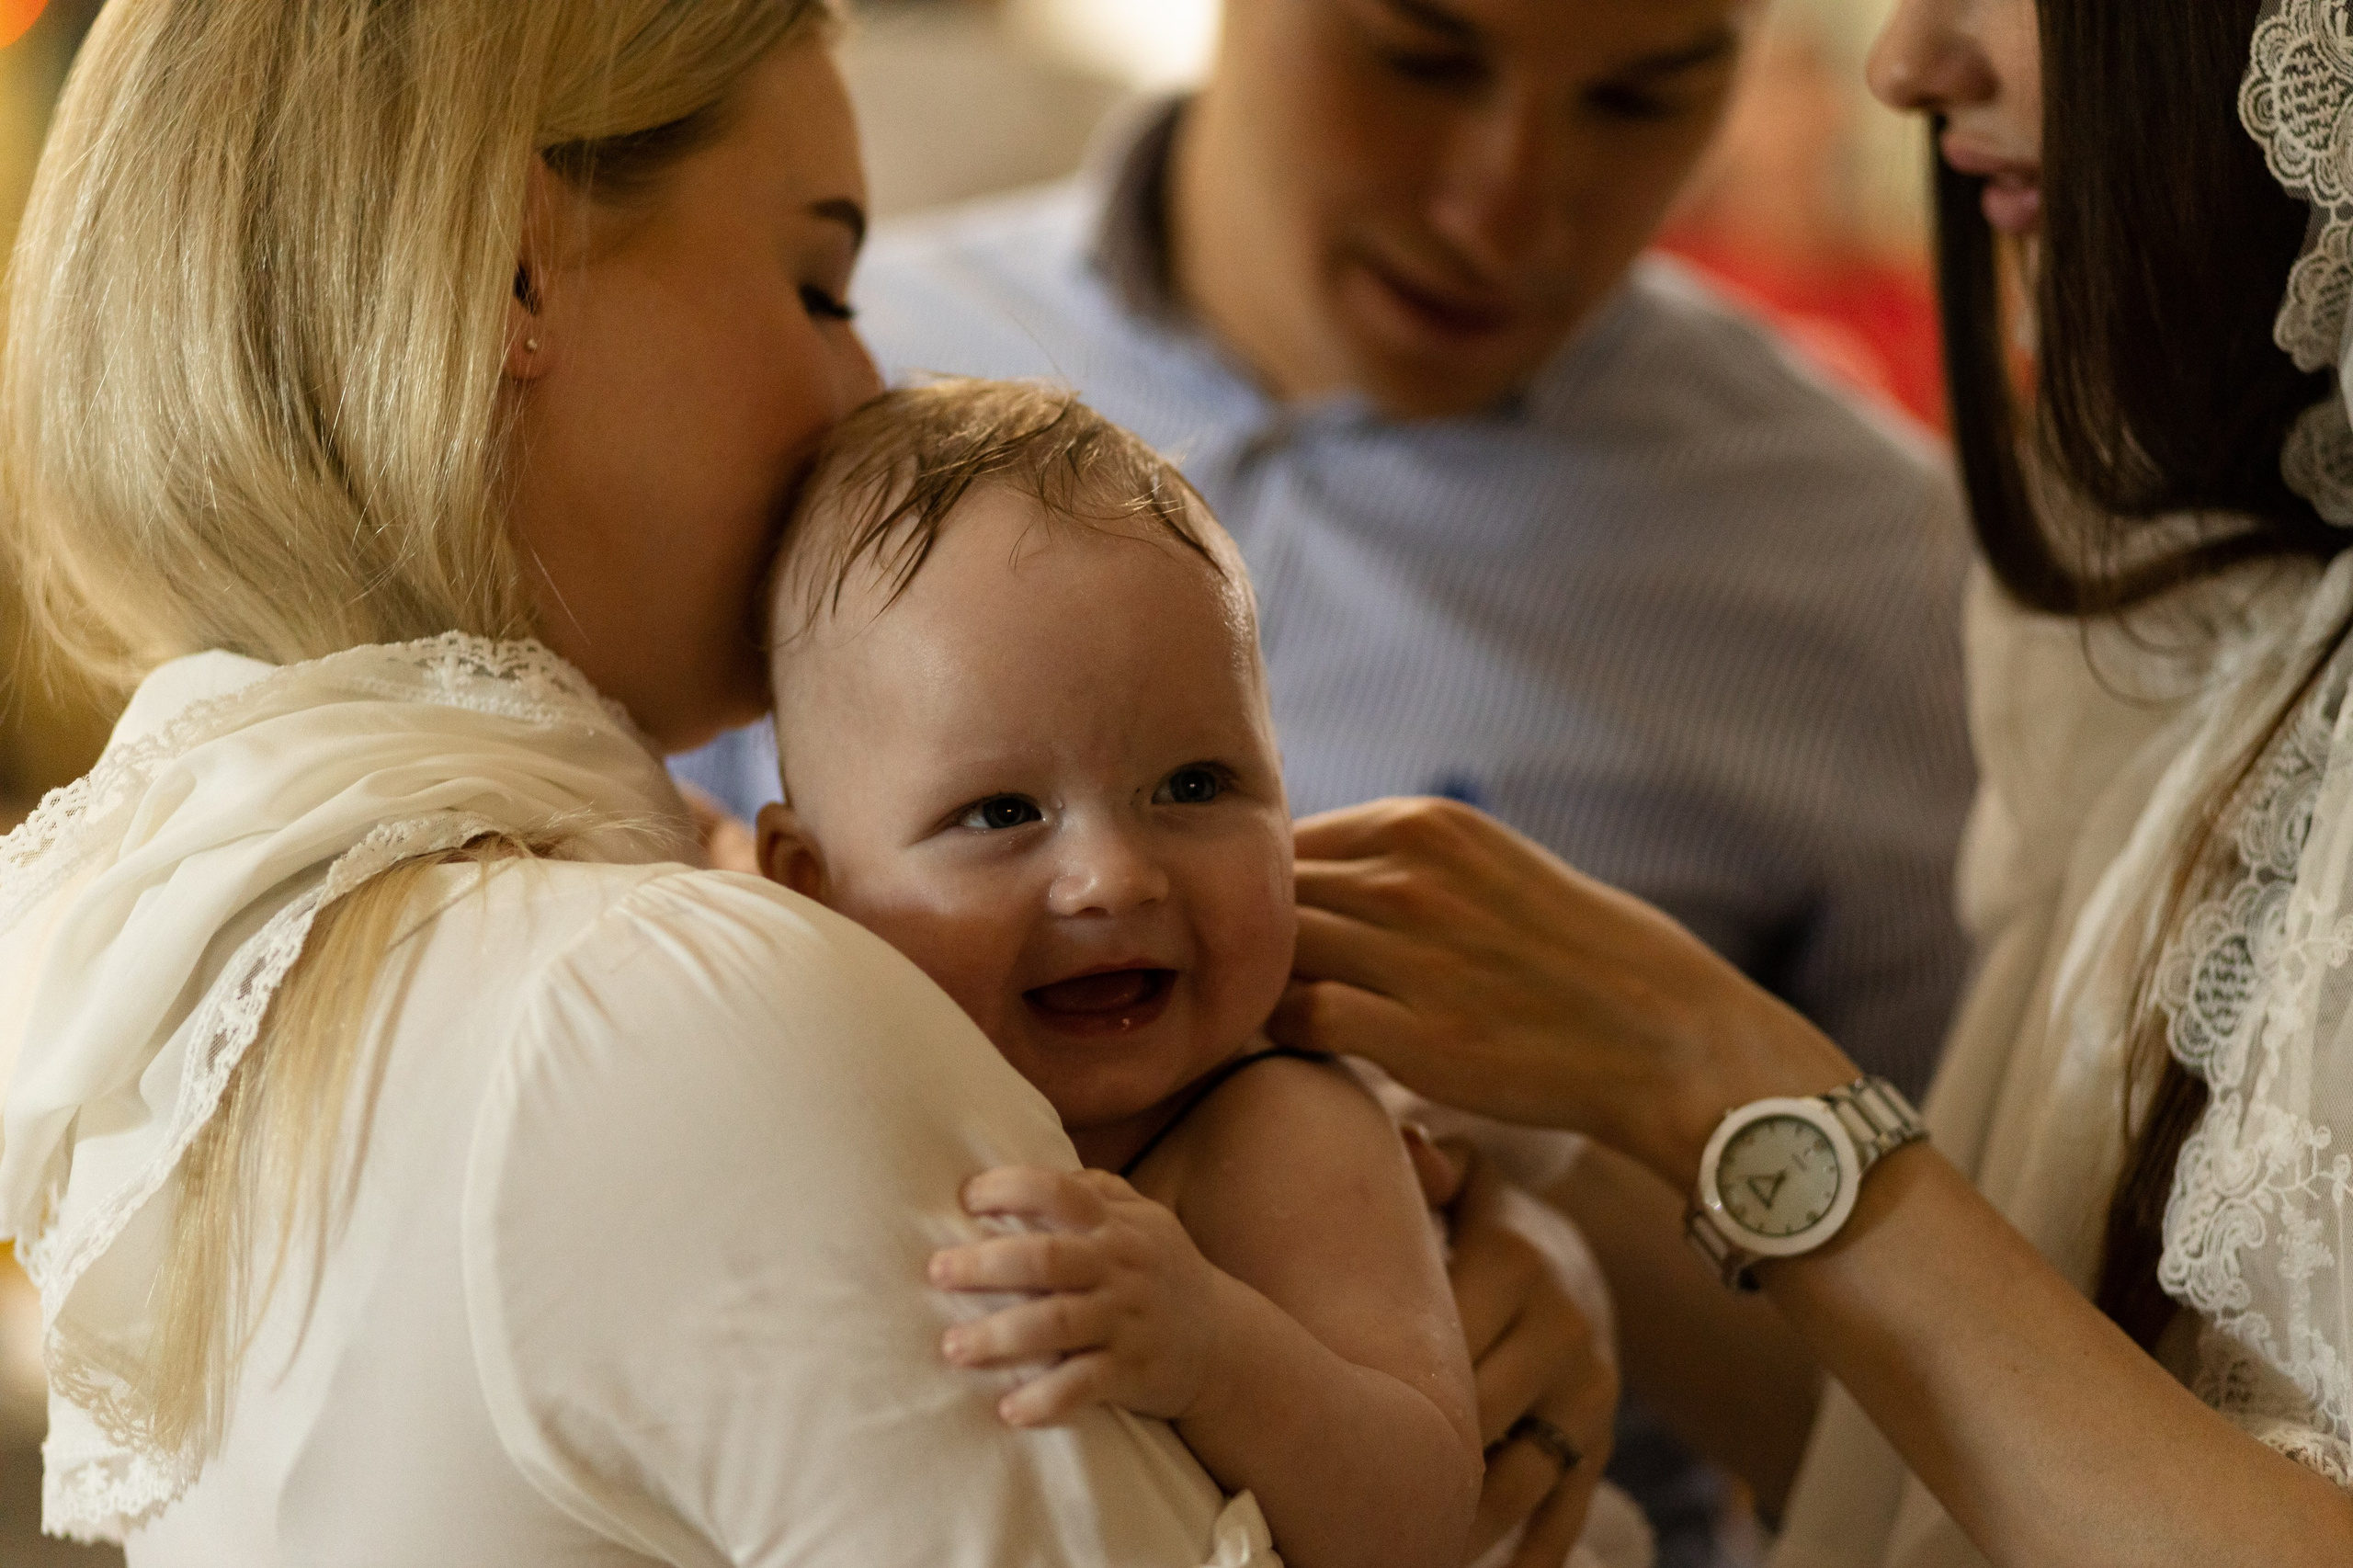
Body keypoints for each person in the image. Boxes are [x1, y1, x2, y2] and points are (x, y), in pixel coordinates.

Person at [0, 2, 1606, 1562]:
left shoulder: (207, 942)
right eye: (821, 283)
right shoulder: (662, 997)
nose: (863, 383)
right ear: (516, 267)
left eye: (1196, 784)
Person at [671, 0, 1980, 1554]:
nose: (1503, 204)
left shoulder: (1881, 571)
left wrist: (1573, 1234)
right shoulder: (805, 374)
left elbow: (1976, 1425)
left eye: (1642, 99)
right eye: (1416, 57)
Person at [1259, 0, 2353, 1562]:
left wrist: (1709, 1070)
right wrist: (1548, 1143)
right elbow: (1978, 1467)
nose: (1903, 64)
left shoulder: (1878, 554)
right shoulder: (2205, 616)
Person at [748, 378, 1483, 1568]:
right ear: (813, 885)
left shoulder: (1274, 1127)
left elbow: (1425, 1514)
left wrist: (1215, 1349)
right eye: (1002, 811)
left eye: (1195, 785)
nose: (1113, 879)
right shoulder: (795, 1081)